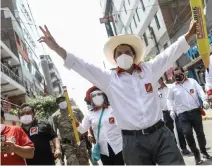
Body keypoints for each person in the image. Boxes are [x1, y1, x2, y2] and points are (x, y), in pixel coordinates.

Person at [38, 19, 197, 165]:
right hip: (132, 142)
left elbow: (170, 53)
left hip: (161, 134)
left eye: (127, 52)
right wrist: (57, 48)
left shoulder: (150, 69)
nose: (123, 55)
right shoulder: (109, 79)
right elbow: (82, 65)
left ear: (134, 55)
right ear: (114, 59)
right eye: (119, 53)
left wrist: (189, 34)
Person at [168, 67, 210, 165]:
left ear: (184, 73)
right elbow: (169, 99)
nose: (177, 76)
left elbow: (200, 91)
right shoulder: (173, 87)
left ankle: (203, 150)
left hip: (195, 112)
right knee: (188, 134)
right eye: (175, 75)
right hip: (183, 115)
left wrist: (204, 100)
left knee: (200, 133)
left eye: (179, 73)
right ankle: (196, 154)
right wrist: (171, 110)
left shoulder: (192, 82)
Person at [75, 86, 124, 165]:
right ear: (91, 99)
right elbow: (83, 129)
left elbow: (122, 125)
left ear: (103, 96)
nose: (97, 97)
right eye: (94, 96)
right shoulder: (89, 113)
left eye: (99, 94)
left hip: (118, 146)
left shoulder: (112, 109)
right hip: (103, 150)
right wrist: (76, 123)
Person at [51, 95, 89, 165]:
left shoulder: (76, 110)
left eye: (64, 100)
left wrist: (88, 137)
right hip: (67, 145)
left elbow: (85, 125)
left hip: (80, 142)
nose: (62, 102)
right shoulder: (55, 116)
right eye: (60, 101)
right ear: (57, 104)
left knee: (84, 163)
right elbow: (54, 133)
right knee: (73, 163)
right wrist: (57, 148)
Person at [158, 77, 190, 155]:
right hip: (165, 112)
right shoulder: (155, 92)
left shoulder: (170, 87)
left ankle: (184, 148)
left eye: (158, 81)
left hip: (176, 110)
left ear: (162, 80)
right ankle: (175, 148)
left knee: (180, 129)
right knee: (170, 131)